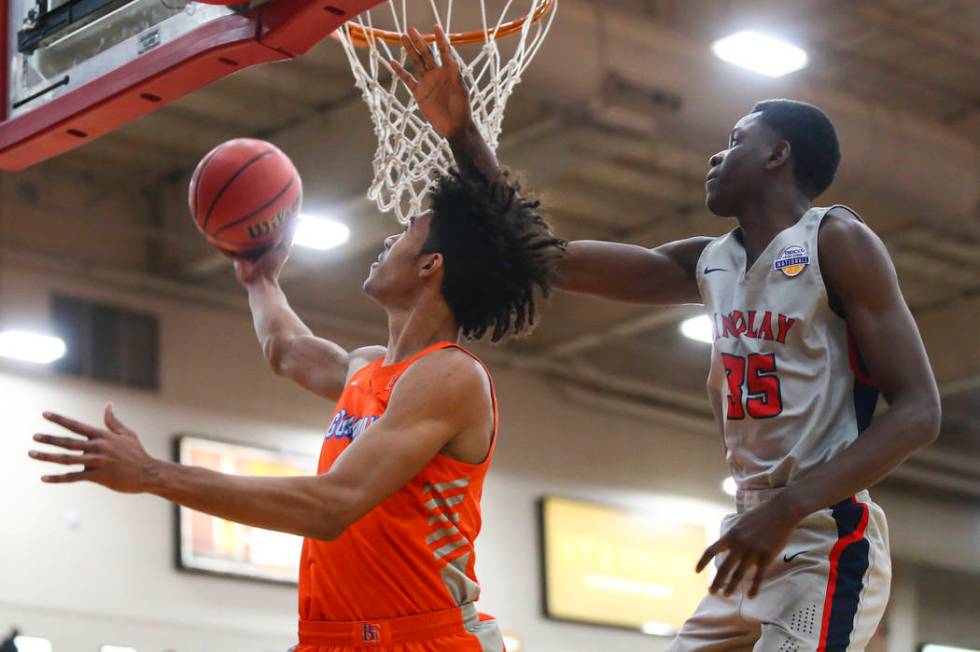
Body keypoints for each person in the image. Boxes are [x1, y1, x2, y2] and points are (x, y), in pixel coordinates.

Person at [396, 25, 941, 651]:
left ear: (777, 155)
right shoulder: (709, 262)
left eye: (735, 141)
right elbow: (542, 255)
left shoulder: (835, 240)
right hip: (750, 531)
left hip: (825, 532)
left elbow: (921, 412)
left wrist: (789, 508)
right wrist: (462, 133)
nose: (715, 155)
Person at [27, 69, 565, 650]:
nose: (387, 240)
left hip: (420, 640)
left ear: (431, 266)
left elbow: (331, 504)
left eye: (406, 233)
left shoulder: (449, 375)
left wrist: (154, 474)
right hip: (330, 639)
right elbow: (286, 352)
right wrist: (260, 281)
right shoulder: (370, 368)